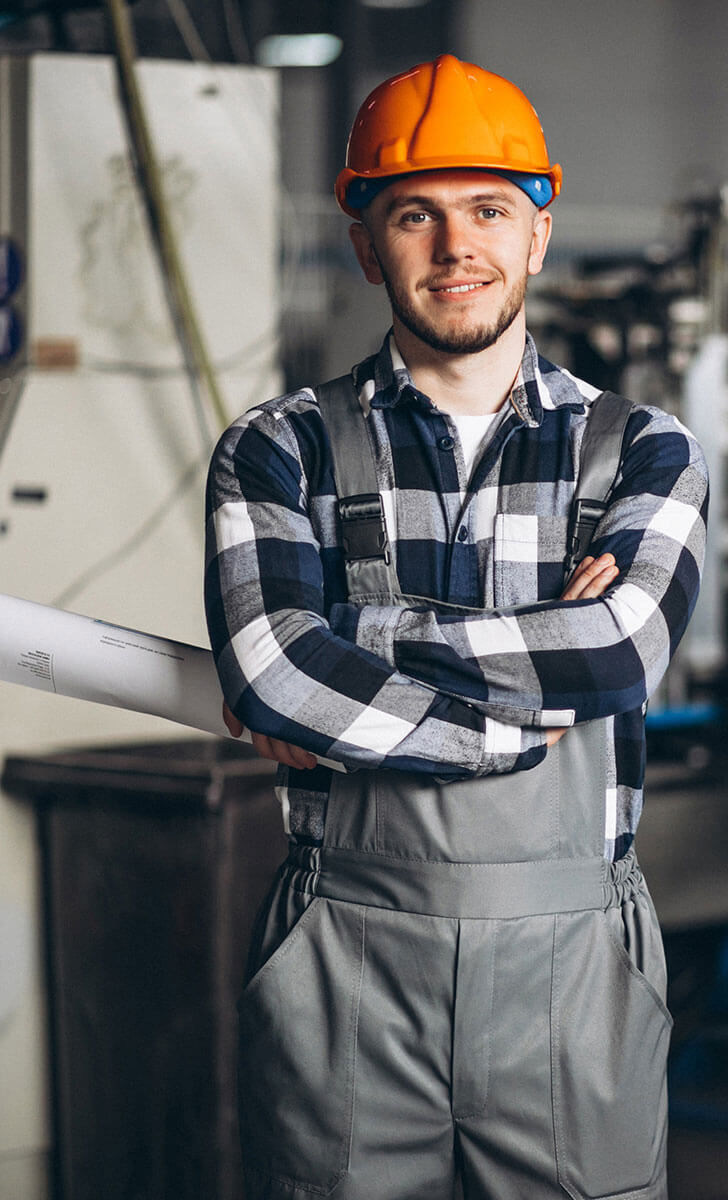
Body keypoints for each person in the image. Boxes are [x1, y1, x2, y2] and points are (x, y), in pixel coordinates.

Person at [205, 54, 707, 1200]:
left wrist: (352, 635)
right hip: (343, 961)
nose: (453, 247)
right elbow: (275, 673)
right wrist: (503, 709)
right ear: (363, 243)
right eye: (412, 215)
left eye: (487, 210)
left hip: (573, 967)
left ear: (537, 231)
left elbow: (618, 650)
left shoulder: (645, 449)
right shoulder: (276, 448)